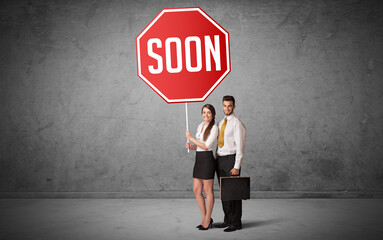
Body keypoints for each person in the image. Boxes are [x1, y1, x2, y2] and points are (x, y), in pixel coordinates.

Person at [215, 95, 247, 232]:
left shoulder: (236, 123)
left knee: (233, 193)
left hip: (231, 160)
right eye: (224, 105)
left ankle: (236, 223)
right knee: (224, 193)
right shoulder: (221, 123)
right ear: (222, 106)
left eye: (229, 106)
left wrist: (236, 166)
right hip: (220, 159)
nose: (227, 108)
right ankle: (227, 220)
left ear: (234, 106)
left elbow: (240, 146)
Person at [185, 104, 218, 230]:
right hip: (198, 160)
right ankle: (205, 217)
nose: (206, 115)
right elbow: (199, 146)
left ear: (213, 114)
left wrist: (191, 138)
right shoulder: (200, 125)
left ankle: (207, 218)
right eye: (204, 112)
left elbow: (206, 146)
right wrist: (191, 146)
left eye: (209, 112)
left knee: (208, 191)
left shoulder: (214, 128)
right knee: (196, 190)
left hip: (207, 160)